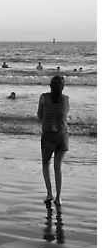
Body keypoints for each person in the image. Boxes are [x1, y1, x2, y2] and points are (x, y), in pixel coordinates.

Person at [37, 76, 69, 206]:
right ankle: (59, 197)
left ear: (50, 86)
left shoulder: (44, 97)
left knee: (46, 165)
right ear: (62, 87)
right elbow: (65, 115)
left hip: (48, 135)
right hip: (62, 136)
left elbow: (39, 116)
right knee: (58, 167)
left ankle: (49, 193)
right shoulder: (66, 99)